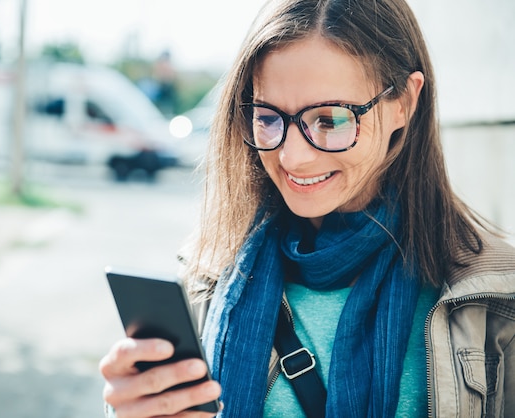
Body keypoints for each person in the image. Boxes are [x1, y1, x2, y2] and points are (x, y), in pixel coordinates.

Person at [99, 0, 515, 416]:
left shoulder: (494, 298)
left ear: (403, 103)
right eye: (268, 117)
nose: (292, 158)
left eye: (330, 120)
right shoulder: (208, 278)